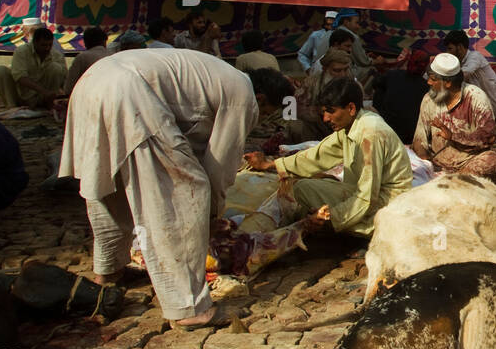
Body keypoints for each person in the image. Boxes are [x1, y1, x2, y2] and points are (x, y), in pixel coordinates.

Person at [59, 50, 292, 327]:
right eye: (264, 113)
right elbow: (220, 165)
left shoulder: (219, 75)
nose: (260, 119)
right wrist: (211, 217)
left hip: (91, 84)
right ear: (262, 99)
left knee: (110, 188)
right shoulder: (243, 95)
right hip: (128, 93)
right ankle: (189, 307)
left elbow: (191, 142)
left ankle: (109, 271)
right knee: (186, 192)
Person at [244, 78, 412, 238]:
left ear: (351, 108)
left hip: (388, 203)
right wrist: (270, 165)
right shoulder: (350, 126)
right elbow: (317, 156)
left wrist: (333, 218)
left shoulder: (371, 133)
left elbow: (367, 196)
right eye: (324, 112)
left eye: (330, 112)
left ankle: (355, 233)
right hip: (366, 194)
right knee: (302, 188)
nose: (325, 119)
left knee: (316, 207)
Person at [412, 53, 496, 177]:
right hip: (438, 163)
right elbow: (420, 140)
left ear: (447, 83)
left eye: (433, 79)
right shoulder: (428, 99)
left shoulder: (476, 96)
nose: (429, 82)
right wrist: (425, 164)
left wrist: (453, 136)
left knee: (492, 160)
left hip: (468, 162)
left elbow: (488, 137)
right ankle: (453, 180)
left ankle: (456, 180)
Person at [444, 29, 496, 122]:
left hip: (493, 102)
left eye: (450, 49)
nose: (448, 52)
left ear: (460, 47)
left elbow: (464, 74)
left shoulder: (475, 56)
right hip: (478, 103)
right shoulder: (457, 60)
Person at [287, 47, 352, 142]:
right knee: (296, 126)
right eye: (337, 71)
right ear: (325, 69)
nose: (342, 75)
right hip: (316, 128)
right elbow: (290, 110)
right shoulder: (311, 83)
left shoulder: (351, 83)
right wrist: (317, 112)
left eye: (345, 70)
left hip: (344, 125)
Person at [0, 26, 67, 108]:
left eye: (50, 45)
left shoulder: (56, 54)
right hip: (20, 95)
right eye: (43, 45)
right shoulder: (22, 51)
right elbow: (20, 77)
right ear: (34, 42)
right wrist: (43, 91)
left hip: (42, 98)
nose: (47, 48)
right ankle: (12, 107)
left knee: (56, 68)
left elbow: (64, 77)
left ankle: (48, 104)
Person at [371, 48, 430, 143]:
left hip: (386, 129)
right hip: (409, 135)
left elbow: (375, 84)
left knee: (380, 88)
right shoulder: (426, 87)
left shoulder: (393, 75)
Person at [64, 27, 110, 96]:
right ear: (104, 41)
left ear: (85, 43)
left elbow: (69, 88)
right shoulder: (112, 56)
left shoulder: (82, 58)